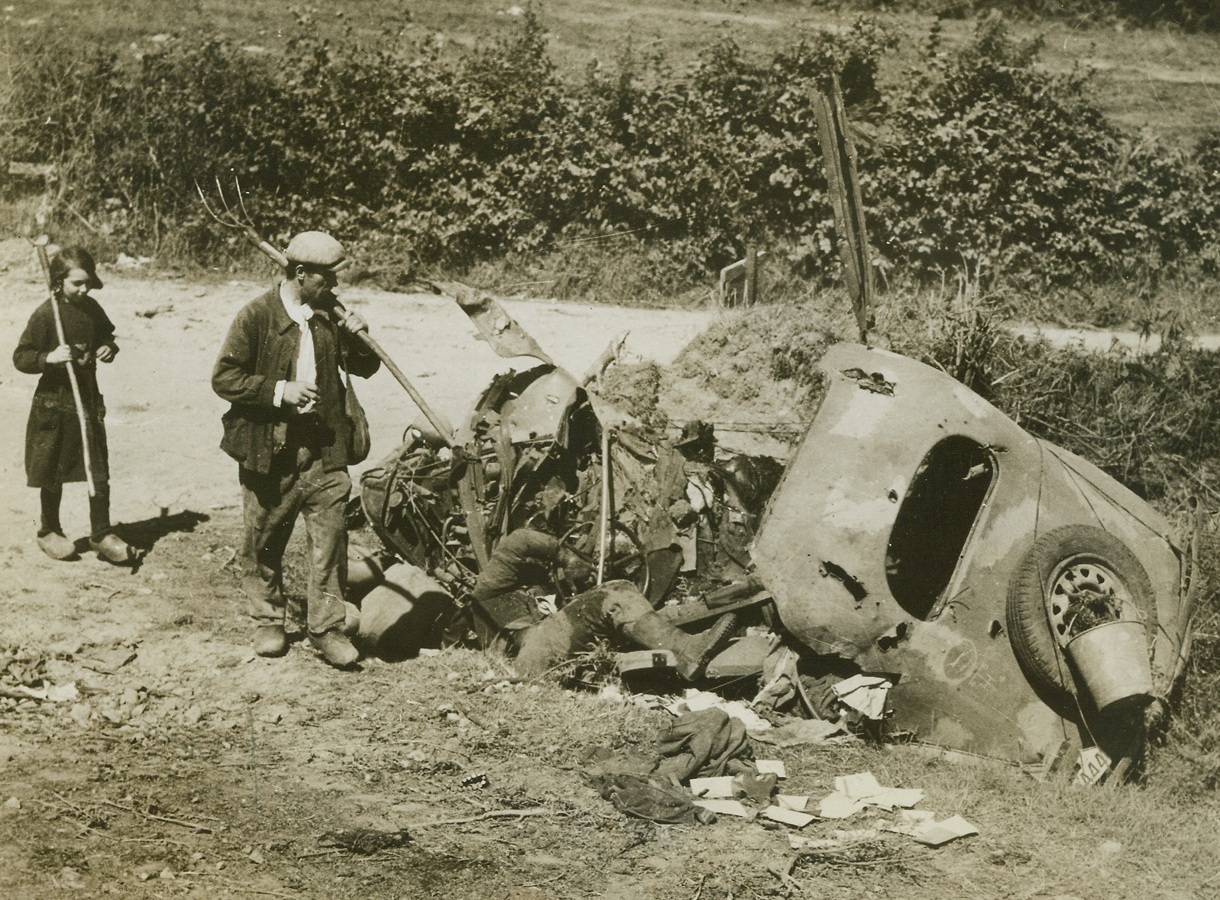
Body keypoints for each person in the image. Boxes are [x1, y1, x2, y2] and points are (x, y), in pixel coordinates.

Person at [212, 232, 380, 668]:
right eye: (328, 279)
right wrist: (279, 391)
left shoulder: (329, 316)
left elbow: (365, 367)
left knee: (330, 541)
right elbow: (224, 378)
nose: (335, 288)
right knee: (264, 538)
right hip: (271, 449)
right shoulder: (256, 316)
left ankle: (326, 627)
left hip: (325, 448)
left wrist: (361, 336)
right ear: (301, 274)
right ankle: (269, 618)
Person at [469, 529, 737, 679]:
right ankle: (686, 649)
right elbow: (520, 539)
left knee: (618, 611)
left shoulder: (544, 591)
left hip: (544, 655)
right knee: (616, 591)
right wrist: (566, 557)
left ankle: (678, 650)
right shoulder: (490, 592)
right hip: (530, 653)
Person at [13, 246, 135, 564]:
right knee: (53, 468)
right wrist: (48, 358)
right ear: (58, 281)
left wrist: (109, 348)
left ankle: (101, 533)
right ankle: (49, 530)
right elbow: (21, 356)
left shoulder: (92, 308)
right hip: (54, 403)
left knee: (97, 466)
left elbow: (109, 336)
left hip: (88, 399)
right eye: (76, 284)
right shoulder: (45, 313)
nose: (83, 290)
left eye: (87, 284)